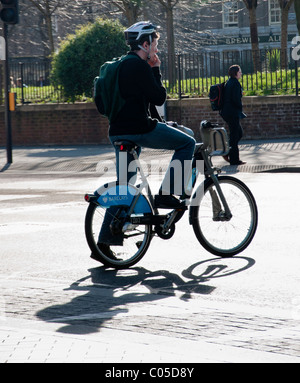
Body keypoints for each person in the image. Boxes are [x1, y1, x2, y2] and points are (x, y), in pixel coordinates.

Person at [109, 21, 196, 206]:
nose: (156, 50)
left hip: (116, 131)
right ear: (145, 45)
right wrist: (155, 70)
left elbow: (140, 102)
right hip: (139, 130)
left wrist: (160, 122)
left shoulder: (120, 65)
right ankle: (166, 194)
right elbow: (158, 97)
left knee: (125, 187)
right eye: (155, 45)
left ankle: (109, 234)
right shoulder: (140, 66)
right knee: (188, 143)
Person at [220, 64, 246, 165]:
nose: (241, 73)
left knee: (238, 134)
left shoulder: (230, 82)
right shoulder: (235, 83)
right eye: (240, 72)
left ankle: (228, 151)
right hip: (232, 112)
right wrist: (240, 109)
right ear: (235, 73)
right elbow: (236, 99)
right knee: (235, 135)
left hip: (228, 112)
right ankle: (234, 159)